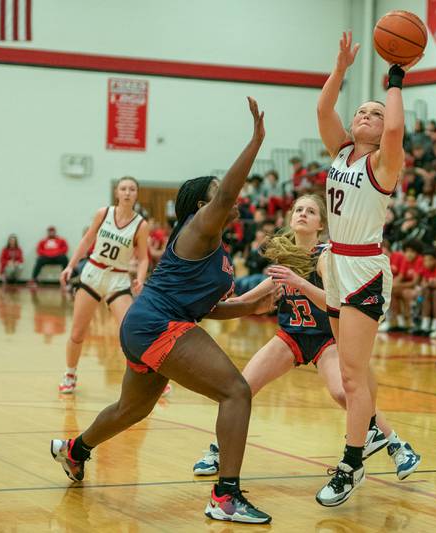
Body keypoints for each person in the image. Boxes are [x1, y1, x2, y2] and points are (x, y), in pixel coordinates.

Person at [50, 98, 275, 524]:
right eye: (213, 199)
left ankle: (74, 451)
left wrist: (251, 303)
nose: (224, 202)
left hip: (148, 325)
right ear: (200, 206)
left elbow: (209, 309)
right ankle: (225, 497)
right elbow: (227, 191)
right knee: (236, 392)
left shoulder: (215, 249)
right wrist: (256, 141)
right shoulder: (198, 228)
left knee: (131, 410)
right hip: (157, 324)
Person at [191, 195, 420, 480]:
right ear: (290, 218)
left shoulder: (325, 257)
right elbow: (245, 301)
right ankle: (218, 450)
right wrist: (203, 306)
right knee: (241, 389)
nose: (302, 214)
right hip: (291, 337)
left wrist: (298, 282)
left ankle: (398, 445)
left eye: (310, 211)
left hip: (326, 338)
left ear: (321, 224)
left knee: (342, 393)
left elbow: (335, 304)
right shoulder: (287, 255)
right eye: (298, 209)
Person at [314, 31, 420, 506]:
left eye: (375, 114)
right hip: (336, 262)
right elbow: (323, 110)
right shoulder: (341, 151)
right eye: (362, 111)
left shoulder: (384, 161)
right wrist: (340, 68)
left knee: (352, 377)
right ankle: (384, 437)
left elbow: (397, 132)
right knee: (358, 372)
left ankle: (352, 463)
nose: (364, 115)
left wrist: (394, 81)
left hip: (364, 268)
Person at [56, 177, 150, 394]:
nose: (127, 193)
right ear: (117, 192)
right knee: (78, 332)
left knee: (131, 331)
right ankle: (70, 374)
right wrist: (70, 266)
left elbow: (143, 258)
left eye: (132, 189)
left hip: (118, 278)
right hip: (93, 273)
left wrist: (141, 278)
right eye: (123, 189)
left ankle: (148, 377)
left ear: (137, 194)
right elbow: (87, 240)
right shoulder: (103, 213)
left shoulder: (141, 225)